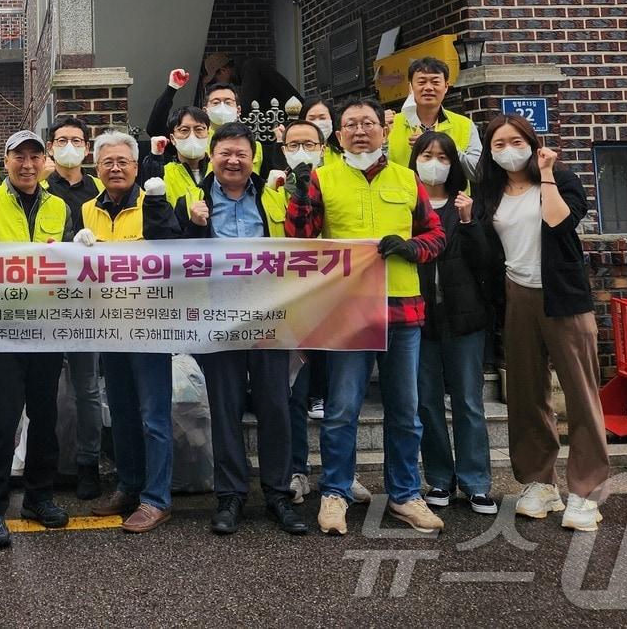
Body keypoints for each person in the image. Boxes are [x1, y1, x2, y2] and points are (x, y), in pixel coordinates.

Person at [284, 99, 447, 537]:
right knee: (341, 409)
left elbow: (435, 233)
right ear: (338, 136)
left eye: (369, 124)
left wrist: (413, 248)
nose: (360, 131)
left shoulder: (407, 178)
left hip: (403, 309)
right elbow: (300, 240)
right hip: (349, 311)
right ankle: (335, 492)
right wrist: (298, 197)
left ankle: (405, 494)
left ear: (384, 131)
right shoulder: (323, 176)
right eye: (351, 125)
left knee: (405, 411)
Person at [471, 114, 608, 531]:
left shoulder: (561, 178)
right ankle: (538, 482)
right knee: (527, 393)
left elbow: (559, 222)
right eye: (498, 144)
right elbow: (486, 247)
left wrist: (546, 173)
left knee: (580, 393)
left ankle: (585, 492)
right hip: (518, 294)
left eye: (515, 141)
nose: (507, 150)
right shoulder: (489, 191)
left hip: (563, 297)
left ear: (532, 142)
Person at [181, 123, 308, 538]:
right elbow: (172, 257)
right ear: (212, 157)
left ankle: (277, 493)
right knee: (225, 408)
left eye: (241, 153)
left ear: (253, 158)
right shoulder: (192, 201)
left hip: (270, 317)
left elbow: (301, 243)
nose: (233, 160)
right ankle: (230, 495)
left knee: (275, 405)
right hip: (217, 320)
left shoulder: (274, 196)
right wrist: (194, 224)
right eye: (225, 153)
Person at [0, 130, 76, 548]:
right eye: (18, 157)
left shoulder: (60, 205)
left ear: (45, 162)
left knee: (44, 418)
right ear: (4, 161)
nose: (27, 165)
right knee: (0, 421)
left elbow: (75, 261)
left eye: (34, 156)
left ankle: (38, 498)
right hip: (1, 331)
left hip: (46, 328)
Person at [79, 130, 183, 533]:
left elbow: (174, 255)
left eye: (123, 161)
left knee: (153, 416)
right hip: (109, 326)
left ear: (137, 167)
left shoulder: (154, 203)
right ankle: (129, 485)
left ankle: (157, 499)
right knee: (120, 413)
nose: (116, 167)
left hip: (151, 326)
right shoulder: (88, 209)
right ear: (97, 168)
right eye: (108, 162)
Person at [411, 130, 496, 515]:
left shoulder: (468, 204)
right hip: (420, 320)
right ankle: (440, 479)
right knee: (427, 403)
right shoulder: (407, 204)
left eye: (442, 157)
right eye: (426, 155)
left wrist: (468, 222)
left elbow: (487, 264)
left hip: (465, 320)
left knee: (468, 401)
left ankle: (476, 482)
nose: (434, 163)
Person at [42, 116, 105, 501]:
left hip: (87, 306)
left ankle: (88, 465)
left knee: (88, 390)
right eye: (61, 140)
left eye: (76, 140)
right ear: (51, 148)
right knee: (43, 390)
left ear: (87, 147)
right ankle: (45, 465)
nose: (68, 146)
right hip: (45, 304)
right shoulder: (39, 187)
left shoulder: (99, 190)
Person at [145, 70, 272, 175]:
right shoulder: (196, 140)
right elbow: (154, 128)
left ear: (238, 110)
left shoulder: (256, 147)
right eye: (216, 102)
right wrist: (172, 88)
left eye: (228, 102)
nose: (222, 106)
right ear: (205, 110)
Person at [387, 57, 483, 180]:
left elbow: (478, 173)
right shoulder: (390, 124)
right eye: (421, 82)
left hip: (453, 198)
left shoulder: (465, 125)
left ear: (446, 86)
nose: (428, 87)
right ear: (410, 87)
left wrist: (443, 147)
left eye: (435, 82)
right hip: (404, 198)